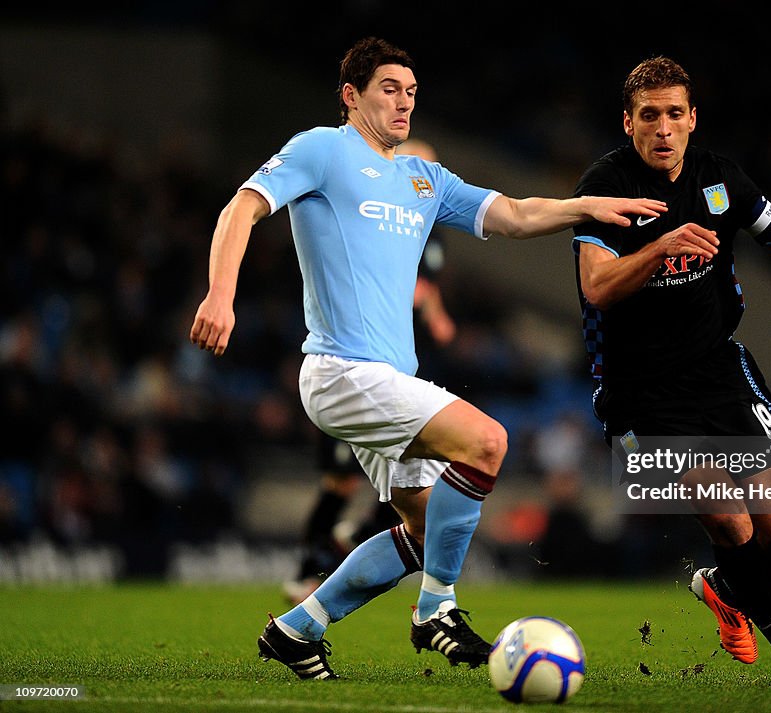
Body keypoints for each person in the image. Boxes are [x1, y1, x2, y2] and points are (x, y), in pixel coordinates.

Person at [189, 36, 666, 681]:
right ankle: (435, 611)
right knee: (488, 443)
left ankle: (297, 628)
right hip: (341, 371)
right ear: (350, 96)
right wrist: (221, 295)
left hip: (390, 377)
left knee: (422, 530)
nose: (404, 102)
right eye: (389, 88)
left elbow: (516, 214)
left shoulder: (423, 178)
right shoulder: (322, 150)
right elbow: (240, 208)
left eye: (411, 92)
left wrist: (583, 206)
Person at [571, 56, 771, 689]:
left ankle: (723, 585)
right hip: (640, 392)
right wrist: (660, 245)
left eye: (673, 115)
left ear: (692, 119)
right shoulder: (604, 187)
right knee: (728, 514)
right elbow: (598, 287)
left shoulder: (721, 178)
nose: (662, 129)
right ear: (628, 123)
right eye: (648, 117)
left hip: (718, 370)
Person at [283, 138, 457, 607]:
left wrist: (436, 314)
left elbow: (428, 286)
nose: (425, 181)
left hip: (401, 371)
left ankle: (350, 547)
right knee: (341, 481)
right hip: (355, 370)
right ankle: (308, 567)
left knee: (410, 484)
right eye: (418, 169)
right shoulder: (373, 218)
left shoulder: (430, 232)